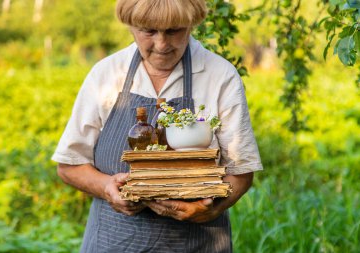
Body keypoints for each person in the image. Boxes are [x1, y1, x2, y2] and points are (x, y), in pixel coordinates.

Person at [52, 0, 263, 252]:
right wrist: (107, 188)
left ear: (191, 24)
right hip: (114, 242)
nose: (162, 45)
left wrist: (209, 209)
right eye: (148, 31)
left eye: (174, 31)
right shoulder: (107, 74)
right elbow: (69, 164)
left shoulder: (220, 76)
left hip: (195, 244)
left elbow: (241, 172)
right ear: (131, 26)